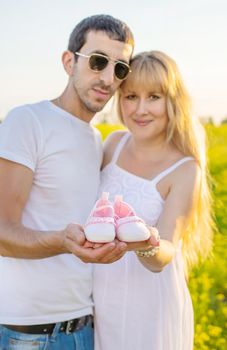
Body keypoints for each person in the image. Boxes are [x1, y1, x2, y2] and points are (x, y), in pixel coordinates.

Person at [0, 14, 135, 350]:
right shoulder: (28, 121)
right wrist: (63, 241)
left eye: (120, 68)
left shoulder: (95, 140)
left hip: (84, 329)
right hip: (28, 333)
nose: (107, 78)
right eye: (98, 61)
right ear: (68, 61)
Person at [93, 50, 214, 350]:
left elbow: (167, 250)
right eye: (131, 96)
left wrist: (146, 244)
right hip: (101, 297)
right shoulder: (113, 144)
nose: (140, 109)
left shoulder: (185, 168)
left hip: (150, 306)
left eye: (154, 97)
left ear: (173, 101)